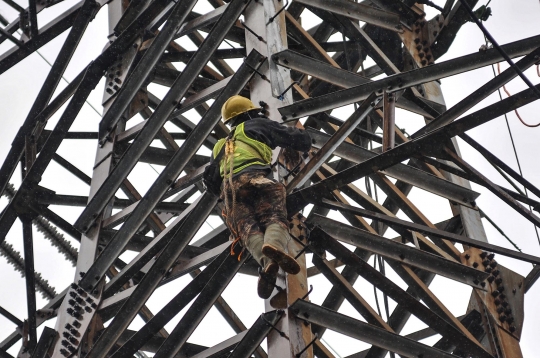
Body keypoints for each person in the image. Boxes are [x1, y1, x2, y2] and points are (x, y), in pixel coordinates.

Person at [203, 95, 312, 299]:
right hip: (255, 179)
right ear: (250, 112)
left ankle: (267, 262)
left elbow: (211, 182)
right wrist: (304, 136)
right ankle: (275, 246)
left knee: (247, 230)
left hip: (231, 194)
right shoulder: (256, 125)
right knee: (274, 216)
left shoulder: (218, 147)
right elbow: (300, 140)